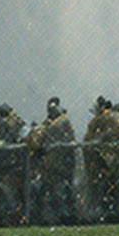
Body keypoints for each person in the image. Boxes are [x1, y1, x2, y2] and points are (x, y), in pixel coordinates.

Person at [28, 96, 77, 225]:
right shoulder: (59, 122)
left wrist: (35, 133)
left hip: (55, 164)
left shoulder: (57, 123)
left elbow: (39, 141)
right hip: (60, 164)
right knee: (59, 190)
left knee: (53, 190)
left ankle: (58, 217)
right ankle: (62, 216)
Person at [84, 97, 119, 223]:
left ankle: (110, 212)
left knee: (106, 188)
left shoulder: (101, 122)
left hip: (106, 161)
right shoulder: (116, 120)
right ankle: (118, 211)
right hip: (114, 160)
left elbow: (89, 140)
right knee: (114, 188)